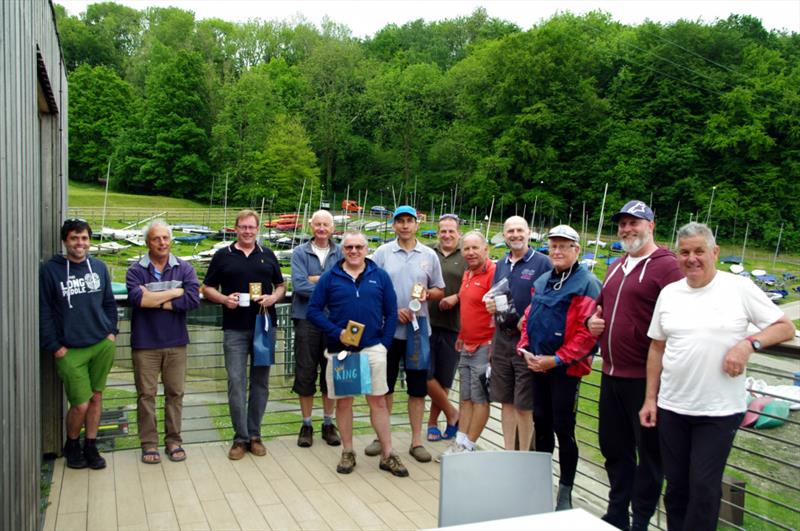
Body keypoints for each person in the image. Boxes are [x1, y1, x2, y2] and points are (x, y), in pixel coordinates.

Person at [640, 222, 795, 531]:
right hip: (673, 407)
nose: (692, 258)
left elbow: (785, 327)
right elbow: (656, 348)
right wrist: (649, 399)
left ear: (715, 252)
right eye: (684, 252)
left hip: (719, 411)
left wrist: (748, 344)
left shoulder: (738, 288)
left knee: (704, 489)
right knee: (677, 488)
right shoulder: (670, 293)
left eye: (699, 251)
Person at [587, 200, 683, 530]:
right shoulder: (616, 265)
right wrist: (591, 323)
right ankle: (617, 513)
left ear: (651, 226)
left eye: (635, 223)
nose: (628, 229)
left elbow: (680, 317)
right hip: (611, 373)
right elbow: (599, 309)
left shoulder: (667, 267)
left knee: (649, 455)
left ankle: (641, 519)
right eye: (623, 224)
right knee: (614, 448)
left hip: (646, 378)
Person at [307, 231, 408, 476]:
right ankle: (348, 451)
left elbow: (392, 312)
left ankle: (388, 454)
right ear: (342, 250)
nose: (354, 251)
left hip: (373, 347)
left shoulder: (380, 276)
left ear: (366, 249)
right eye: (349, 247)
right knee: (344, 402)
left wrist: (384, 343)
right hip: (342, 351)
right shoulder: (330, 277)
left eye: (359, 247)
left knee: (379, 402)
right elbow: (314, 311)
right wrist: (336, 331)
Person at [518, 224, 600, 511]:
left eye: (564, 246)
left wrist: (557, 359)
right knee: (541, 424)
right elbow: (529, 318)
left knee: (564, 430)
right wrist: (525, 350)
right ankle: (540, 485)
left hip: (566, 370)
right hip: (538, 365)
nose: (557, 250)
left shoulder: (587, 283)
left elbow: (587, 334)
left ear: (576, 250)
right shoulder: (541, 281)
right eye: (553, 245)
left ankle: (565, 493)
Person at [203, 209, 286, 460]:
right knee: (236, 383)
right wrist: (223, 299)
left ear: (257, 229)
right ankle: (239, 438)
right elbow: (206, 288)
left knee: (260, 383)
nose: (247, 231)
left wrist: (273, 297)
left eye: (252, 227)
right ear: (235, 228)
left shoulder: (268, 254)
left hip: (263, 327)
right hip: (234, 329)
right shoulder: (222, 255)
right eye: (243, 227)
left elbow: (281, 286)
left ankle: (255, 435)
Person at [39, 218, 118, 469]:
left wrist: (111, 333)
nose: (79, 243)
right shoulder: (50, 271)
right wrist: (55, 346)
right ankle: (72, 443)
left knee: (96, 397)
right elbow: (44, 311)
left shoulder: (99, 267)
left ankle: (91, 445)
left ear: (89, 241)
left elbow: (109, 303)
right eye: (74, 238)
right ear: (65, 241)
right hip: (69, 350)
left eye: (84, 238)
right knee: (80, 403)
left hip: (101, 343)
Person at [370, 205, 445, 463]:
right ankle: (383, 438)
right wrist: (392, 310)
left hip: (417, 330)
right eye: (399, 221)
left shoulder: (429, 255)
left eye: (409, 221)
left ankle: (416, 441)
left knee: (416, 389)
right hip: (387, 330)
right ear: (393, 225)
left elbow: (439, 290)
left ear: (416, 224)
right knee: (384, 387)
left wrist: (427, 295)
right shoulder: (381, 253)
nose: (404, 225)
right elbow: (372, 289)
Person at [126, 220, 200, 464]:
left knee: (175, 393)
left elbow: (192, 299)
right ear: (148, 242)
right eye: (156, 239)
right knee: (146, 395)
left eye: (166, 238)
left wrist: (155, 297)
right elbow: (140, 301)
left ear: (171, 240)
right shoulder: (136, 270)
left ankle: (173, 440)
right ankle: (149, 444)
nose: (162, 243)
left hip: (176, 342)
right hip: (145, 343)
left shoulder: (184, 268)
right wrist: (174, 292)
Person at [485, 216, 551, 450]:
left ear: (529, 232)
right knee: (505, 401)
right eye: (510, 231)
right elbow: (497, 296)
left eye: (519, 230)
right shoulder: (501, 263)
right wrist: (493, 307)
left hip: (527, 343)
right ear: (504, 235)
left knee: (524, 404)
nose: (515, 234)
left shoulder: (543, 263)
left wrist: (530, 316)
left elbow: (549, 299)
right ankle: (508, 452)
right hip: (502, 340)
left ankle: (523, 455)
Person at [437, 231, 496, 459]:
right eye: (466, 249)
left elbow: (499, 310)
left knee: (480, 398)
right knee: (465, 396)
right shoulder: (468, 273)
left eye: (475, 248)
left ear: (485, 249)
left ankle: (469, 446)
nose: (470, 253)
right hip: (467, 342)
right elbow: (469, 305)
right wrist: (462, 333)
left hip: (485, 345)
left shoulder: (493, 273)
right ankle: (459, 442)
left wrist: (494, 344)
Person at [291, 210, 343, 448]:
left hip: (334, 321)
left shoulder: (341, 251)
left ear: (332, 228)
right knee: (305, 371)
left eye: (326, 224)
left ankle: (328, 422)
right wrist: (329, 285)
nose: (322, 228)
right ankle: (307, 423)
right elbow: (299, 285)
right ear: (311, 226)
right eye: (318, 224)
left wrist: (316, 280)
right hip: (306, 319)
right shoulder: (300, 252)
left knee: (331, 372)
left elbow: (348, 281)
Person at [426, 214, 463, 442]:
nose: (447, 235)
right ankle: (452, 413)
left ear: (458, 233)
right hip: (426, 323)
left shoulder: (467, 255)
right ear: (437, 232)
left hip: (453, 326)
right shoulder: (428, 252)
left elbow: (477, 284)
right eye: (443, 231)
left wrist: (456, 297)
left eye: (451, 231)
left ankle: (433, 423)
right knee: (423, 373)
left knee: (443, 377)